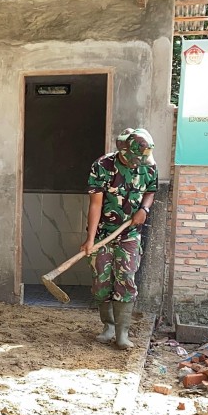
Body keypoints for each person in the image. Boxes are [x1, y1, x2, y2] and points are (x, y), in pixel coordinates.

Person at [81, 128, 157, 350]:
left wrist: (144, 208)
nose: (139, 163)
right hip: (103, 233)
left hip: (130, 234)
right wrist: (91, 239)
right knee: (102, 282)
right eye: (136, 159)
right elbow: (95, 204)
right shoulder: (103, 166)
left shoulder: (148, 165)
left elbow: (150, 190)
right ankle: (109, 328)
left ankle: (122, 333)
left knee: (126, 279)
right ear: (125, 151)